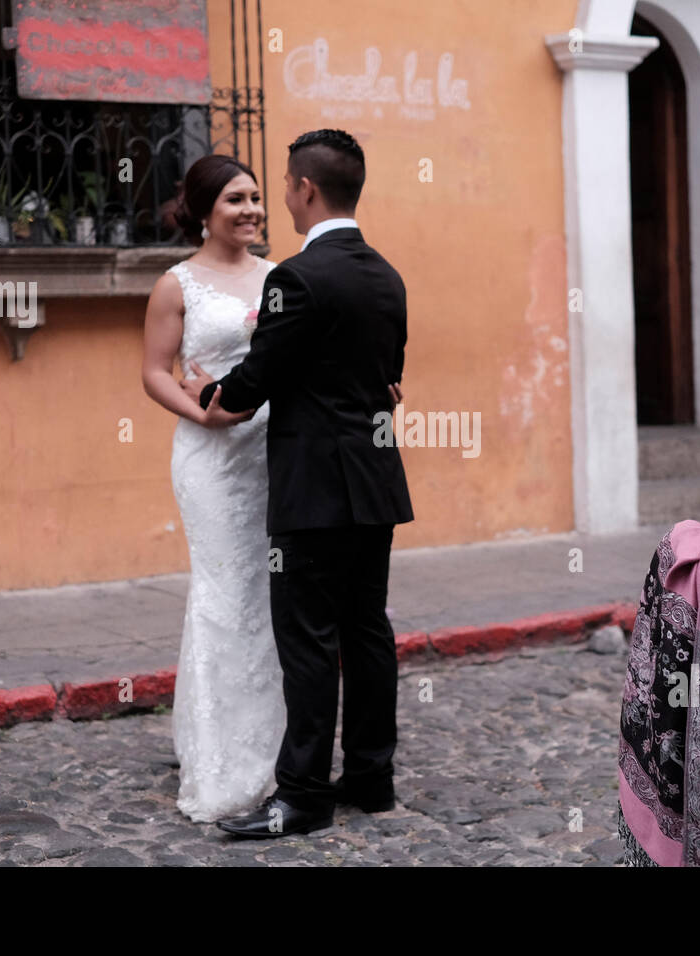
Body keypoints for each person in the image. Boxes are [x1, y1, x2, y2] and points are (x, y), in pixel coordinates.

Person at [181, 129, 414, 839]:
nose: (279, 196)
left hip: (315, 488)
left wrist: (207, 390)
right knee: (367, 630)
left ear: (305, 189)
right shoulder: (386, 274)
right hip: (374, 482)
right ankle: (372, 779)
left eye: (283, 184)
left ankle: (304, 795)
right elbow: (387, 377)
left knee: (309, 640)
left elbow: (255, 383)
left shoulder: (298, 278)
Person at [141, 153, 283, 823]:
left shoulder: (281, 278)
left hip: (272, 454)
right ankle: (221, 760)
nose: (251, 209)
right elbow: (154, 371)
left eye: (256, 196)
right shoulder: (177, 284)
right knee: (224, 595)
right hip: (209, 456)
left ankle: (271, 748)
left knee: (266, 597)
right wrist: (205, 414)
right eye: (235, 199)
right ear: (204, 210)